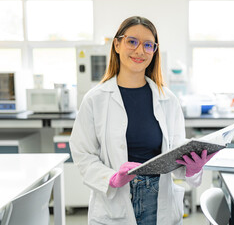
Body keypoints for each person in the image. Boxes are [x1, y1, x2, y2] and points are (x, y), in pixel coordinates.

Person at [69, 16, 216, 225]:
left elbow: (175, 152)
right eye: (132, 41)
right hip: (115, 203)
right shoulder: (95, 99)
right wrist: (110, 178)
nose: (140, 51)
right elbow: (83, 154)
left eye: (148, 45)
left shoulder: (168, 99)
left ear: (154, 51)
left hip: (159, 202)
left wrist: (192, 168)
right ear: (117, 44)